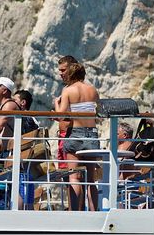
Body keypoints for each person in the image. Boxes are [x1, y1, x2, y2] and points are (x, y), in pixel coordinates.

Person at [54, 63, 99, 211]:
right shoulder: (93, 90)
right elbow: (98, 113)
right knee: (91, 180)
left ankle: (74, 213)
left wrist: (56, 103)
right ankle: (94, 213)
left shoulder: (68, 90)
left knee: (74, 177)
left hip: (75, 133)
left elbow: (60, 116)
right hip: (91, 134)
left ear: (71, 75)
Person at [55, 55, 79, 169]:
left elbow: (63, 115)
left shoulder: (71, 89)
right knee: (66, 173)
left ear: (72, 69)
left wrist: (56, 103)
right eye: (60, 70)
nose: (60, 73)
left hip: (70, 135)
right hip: (65, 135)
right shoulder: (70, 88)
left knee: (72, 173)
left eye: (63, 70)